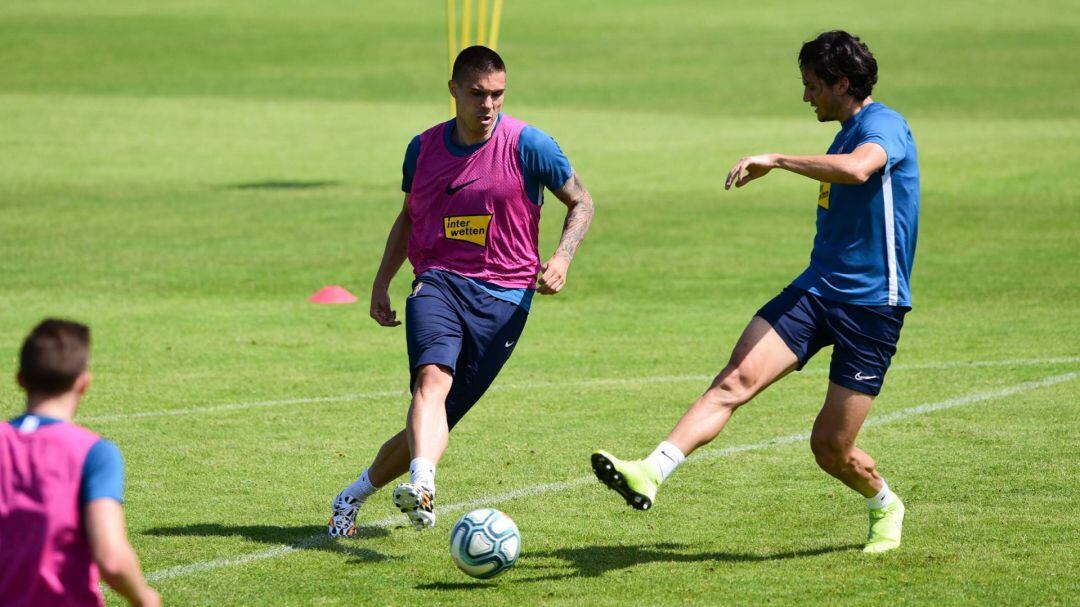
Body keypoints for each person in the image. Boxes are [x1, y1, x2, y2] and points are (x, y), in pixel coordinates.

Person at [592, 30, 919, 553]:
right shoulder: (843, 131)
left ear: (842, 82)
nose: (806, 96)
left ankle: (884, 503)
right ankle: (651, 471)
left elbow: (861, 169)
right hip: (816, 291)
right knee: (734, 378)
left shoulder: (883, 125)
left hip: (872, 308)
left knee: (831, 448)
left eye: (813, 85)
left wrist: (778, 159)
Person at [328, 45, 595, 535]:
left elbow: (582, 202)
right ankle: (424, 486)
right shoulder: (423, 149)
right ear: (453, 90)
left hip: (506, 298)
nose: (488, 105)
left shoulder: (530, 145)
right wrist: (381, 282)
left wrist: (562, 257)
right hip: (439, 282)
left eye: (497, 94)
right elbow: (411, 216)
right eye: (477, 94)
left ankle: (352, 495)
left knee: (436, 418)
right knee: (431, 380)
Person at [0, 319, 161, 606]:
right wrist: (145, 598)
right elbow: (112, 559)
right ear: (83, 382)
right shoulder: (95, 453)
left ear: (20, 379)